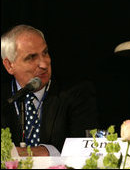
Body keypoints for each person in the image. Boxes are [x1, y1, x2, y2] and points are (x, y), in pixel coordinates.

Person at [1, 24, 99, 156]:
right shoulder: (4, 99)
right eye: (31, 57)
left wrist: (33, 152)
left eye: (45, 53)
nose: (44, 64)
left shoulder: (77, 92)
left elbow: (85, 146)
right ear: (9, 65)